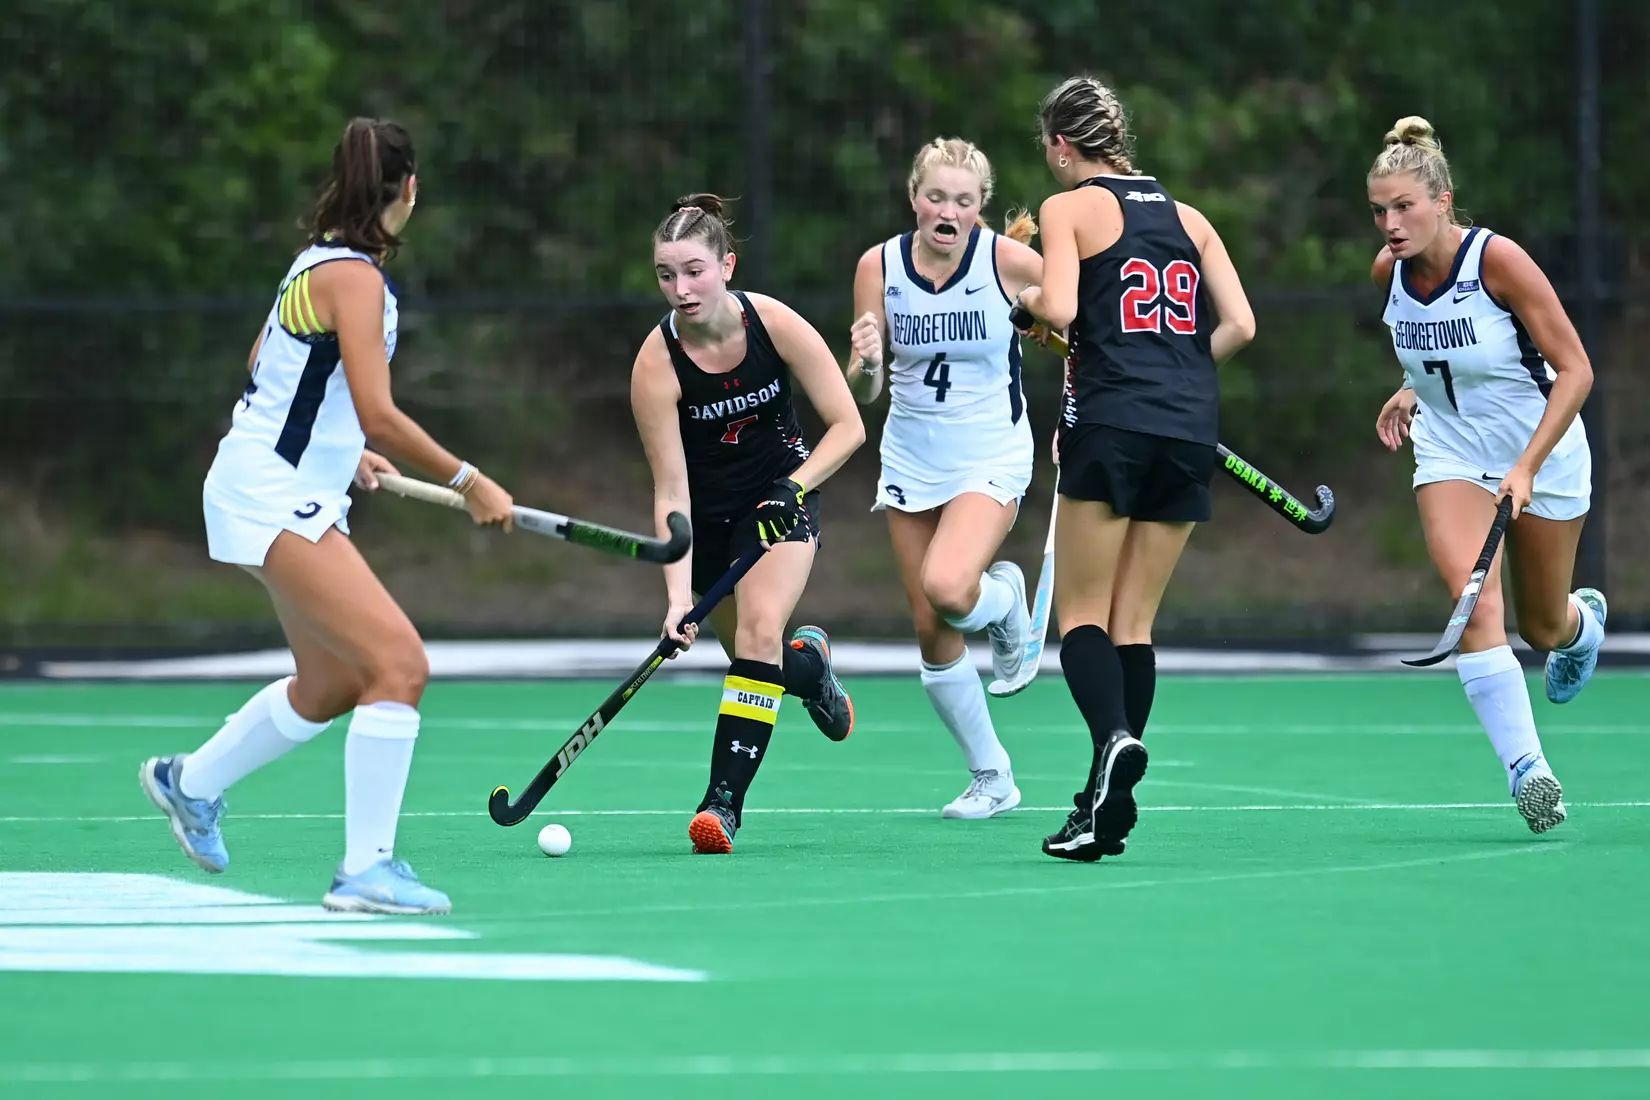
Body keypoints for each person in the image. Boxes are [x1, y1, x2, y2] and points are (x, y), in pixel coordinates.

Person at [139, 118, 515, 914]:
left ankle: (189, 783)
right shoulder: (360, 279)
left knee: (335, 680)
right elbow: (377, 411)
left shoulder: (315, 264)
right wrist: (470, 479)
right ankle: (364, 872)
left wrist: (341, 449)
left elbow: (265, 366)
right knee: (400, 666)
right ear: (409, 189)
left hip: (265, 481)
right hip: (272, 494)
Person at [1015, 77, 1256, 861]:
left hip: (1113, 420)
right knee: (1135, 621)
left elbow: (1055, 308)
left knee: (1080, 614)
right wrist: (1176, 376)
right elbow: (1241, 325)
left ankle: (1113, 738)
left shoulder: (1066, 208)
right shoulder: (1191, 218)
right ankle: (1099, 802)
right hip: (1188, 426)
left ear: (1061, 145)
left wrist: (1024, 313)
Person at [1370, 117, 1603, 834]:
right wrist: (1414, 387)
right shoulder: (1389, 272)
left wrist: (1527, 466)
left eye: (1405, 206)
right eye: (1379, 210)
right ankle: (1529, 773)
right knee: (1472, 604)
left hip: (1545, 453)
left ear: (1443, 201)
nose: (1391, 224)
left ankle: (1580, 628)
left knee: (1540, 623)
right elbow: (1435, 348)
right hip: (1450, 453)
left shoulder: (1497, 262)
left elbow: (1576, 370)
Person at [630, 193, 867, 854]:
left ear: (727, 264)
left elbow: (847, 427)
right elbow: (670, 489)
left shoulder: (773, 325)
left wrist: (794, 487)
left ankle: (722, 804)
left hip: (778, 498)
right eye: (666, 274)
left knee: (760, 631)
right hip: (707, 519)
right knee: (754, 662)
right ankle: (811, 669)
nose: (681, 288)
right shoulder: (656, 364)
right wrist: (678, 597)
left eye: (694, 270)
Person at [844, 137, 1042, 819]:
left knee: (951, 587)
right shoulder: (880, 266)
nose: (947, 210)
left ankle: (1008, 604)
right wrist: (865, 362)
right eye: (936, 197)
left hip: (989, 449)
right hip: (910, 454)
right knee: (931, 626)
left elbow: (1075, 319)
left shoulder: (1009, 262)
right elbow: (864, 390)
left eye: (962, 200)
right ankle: (993, 777)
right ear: (914, 199)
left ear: (979, 207)